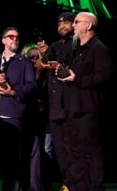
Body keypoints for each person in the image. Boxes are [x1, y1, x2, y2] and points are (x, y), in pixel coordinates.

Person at [57, 12, 112, 191]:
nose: (73, 25)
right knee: (75, 150)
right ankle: (79, 186)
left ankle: (95, 187)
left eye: (77, 22)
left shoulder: (99, 48)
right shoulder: (77, 48)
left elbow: (104, 77)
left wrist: (77, 78)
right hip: (73, 107)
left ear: (88, 26)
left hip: (89, 109)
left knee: (91, 150)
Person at [0, 27, 37, 191]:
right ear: (3, 40)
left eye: (17, 37)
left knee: (10, 159)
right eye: (11, 36)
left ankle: (8, 187)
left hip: (11, 117)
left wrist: (13, 92)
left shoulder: (23, 62)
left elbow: (32, 86)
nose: (15, 39)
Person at [37, 12, 76, 191]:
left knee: (71, 148)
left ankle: (74, 183)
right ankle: (66, 182)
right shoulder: (53, 45)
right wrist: (43, 55)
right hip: (55, 105)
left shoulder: (79, 44)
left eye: (66, 23)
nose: (62, 26)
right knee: (59, 149)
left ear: (74, 24)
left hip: (71, 104)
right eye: (59, 24)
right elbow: (45, 66)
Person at [19, 43, 49, 191]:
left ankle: (35, 187)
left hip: (40, 120)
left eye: (38, 57)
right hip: (22, 118)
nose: (35, 60)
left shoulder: (46, 75)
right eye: (31, 57)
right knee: (21, 153)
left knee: (37, 152)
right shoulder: (22, 74)